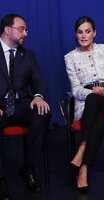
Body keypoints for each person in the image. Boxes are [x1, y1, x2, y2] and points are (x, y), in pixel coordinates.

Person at [64, 16, 104, 194]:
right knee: (100, 119)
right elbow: (76, 89)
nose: (84, 36)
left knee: (96, 101)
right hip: (87, 105)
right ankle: (83, 170)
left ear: (94, 33)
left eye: (87, 31)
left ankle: (82, 148)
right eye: (80, 32)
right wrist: (94, 92)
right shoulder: (70, 57)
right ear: (76, 35)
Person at [0, 13, 51, 199]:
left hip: (21, 104)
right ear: (7, 30)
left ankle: (29, 169)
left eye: (26, 29)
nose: (25, 33)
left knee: (42, 113)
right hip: (0, 106)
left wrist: (38, 96)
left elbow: (38, 80)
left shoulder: (27, 55)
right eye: (21, 29)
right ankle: (1, 179)